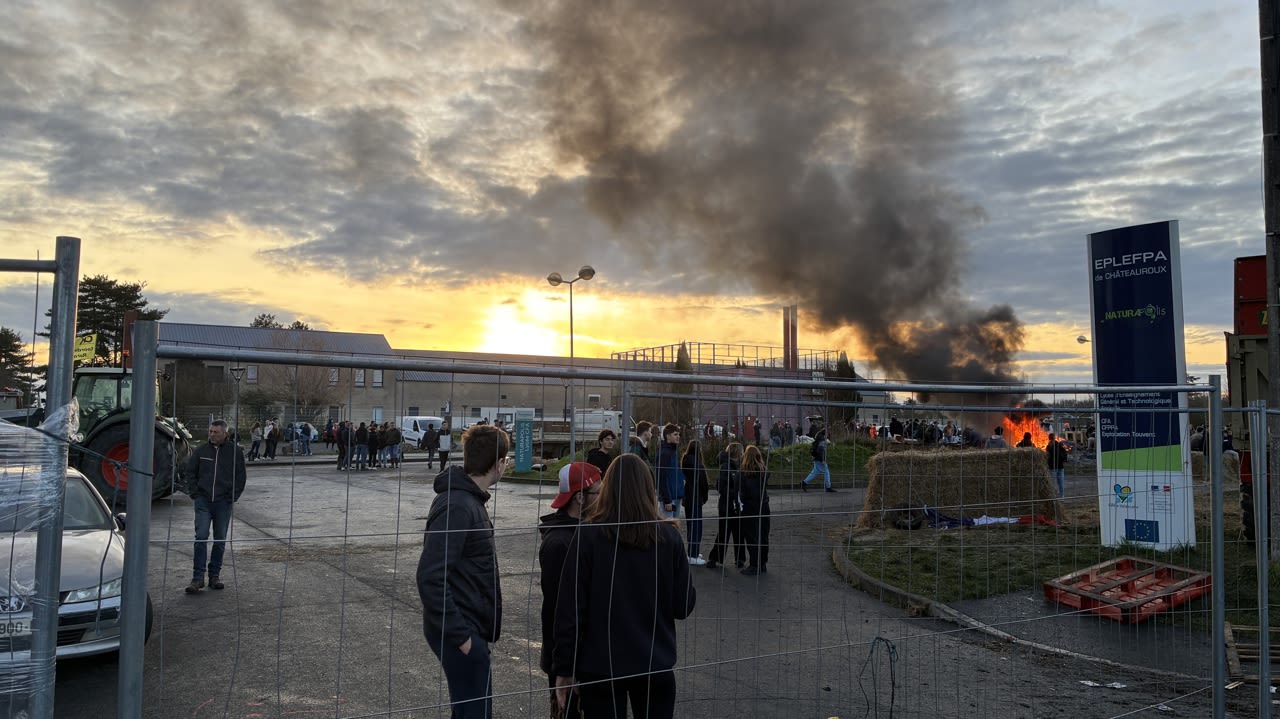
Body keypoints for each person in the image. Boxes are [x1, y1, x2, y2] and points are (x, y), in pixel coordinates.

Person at [553, 453, 697, 718]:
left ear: (607, 489)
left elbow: (570, 609)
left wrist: (564, 667)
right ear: (648, 488)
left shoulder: (588, 535)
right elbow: (682, 605)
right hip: (655, 660)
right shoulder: (668, 537)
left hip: (601, 663)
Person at [416, 424, 511, 719]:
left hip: (468, 628)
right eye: (505, 460)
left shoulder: (469, 500)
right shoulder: (458, 505)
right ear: (498, 464)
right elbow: (430, 576)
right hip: (460, 633)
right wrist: (463, 638)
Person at [538, 462, 602, 719]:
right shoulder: (560, 544)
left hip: (588, 656)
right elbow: (560, 611)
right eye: (598, 492)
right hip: (569, 661)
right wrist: (567, 666)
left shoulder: (585, 533)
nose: (603, 498)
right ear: (579, 497)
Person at [184, 419, 246, 593]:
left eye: (215, 432)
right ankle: (197, 579)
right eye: (210, 431)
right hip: (203, 501)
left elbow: (240, 477)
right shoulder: (200, 451)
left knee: (219, 540)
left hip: (222, 503)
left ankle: (214, 576)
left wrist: (232, 496)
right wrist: (195, 493)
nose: (212, 434)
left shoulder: (235, 452)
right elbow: (190, 472)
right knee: (201, 537)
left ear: (225, 433)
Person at [706, 442, 745, 570]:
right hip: (727, 505)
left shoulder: (736, 466)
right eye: (741, 452)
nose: (743, 454)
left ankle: (739, 558)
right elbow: (722, 488)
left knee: (738, 532)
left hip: (735, 504)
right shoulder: (726, 467)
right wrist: (736, 493)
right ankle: (714, 558)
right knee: (724, 532)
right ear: (737, 453)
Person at [738, 445, 770, 576]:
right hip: (764, 505)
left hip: (750, 507)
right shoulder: (764, 472)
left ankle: (754, 564)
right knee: (763, 535)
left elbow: (742, 493)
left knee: (752, 537)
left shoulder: (744, 473)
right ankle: (762, 563)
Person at [681, 439, 710, 565]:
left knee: (690, 526)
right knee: (697, 527)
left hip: (688, 497)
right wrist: (704, 497)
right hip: (696, 497)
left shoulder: (685, 460)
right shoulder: (698, 464)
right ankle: (693, 555)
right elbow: (704, 483)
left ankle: (691, 552)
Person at [656, 423, 684, 519]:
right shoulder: (665, 453)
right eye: (675, 434)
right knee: (668, 525)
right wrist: (667, 499)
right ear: (668, 436)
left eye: (678, 434)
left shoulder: (673, 452)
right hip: (669, 499)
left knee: (674, 525)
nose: (678, 437)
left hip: (676, 496)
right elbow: (662, 477)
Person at [1045, 433, 1069, 497]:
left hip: (1053, 467)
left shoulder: (1049, 446)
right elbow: (1064, 453)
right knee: (1061, 482)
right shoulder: (1059, 444)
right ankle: (1062, 496)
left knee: (1052, 483)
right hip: (1060, 466)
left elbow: (1047, 456)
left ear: (1049, 438)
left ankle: (1053, 496)